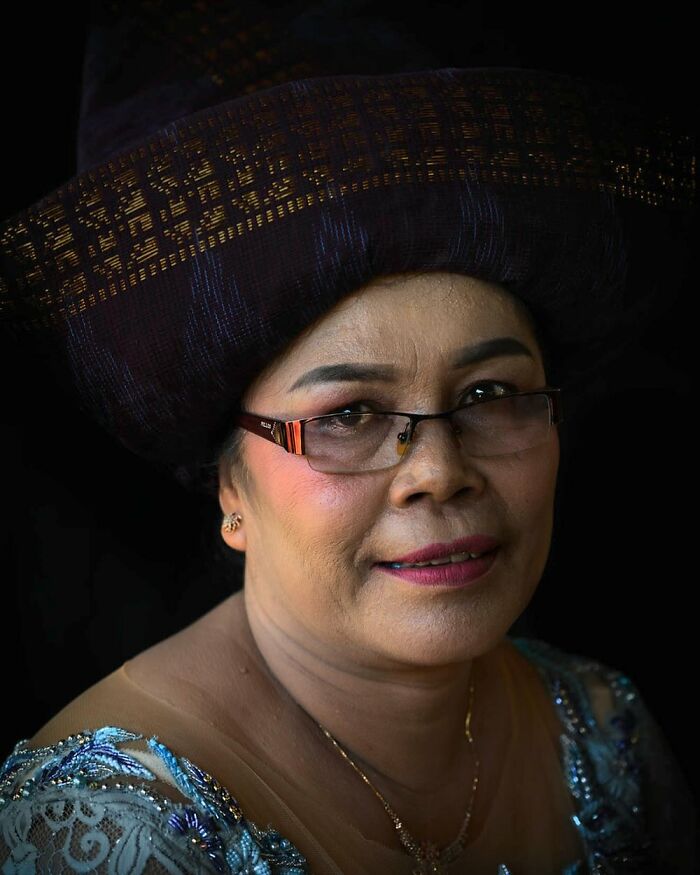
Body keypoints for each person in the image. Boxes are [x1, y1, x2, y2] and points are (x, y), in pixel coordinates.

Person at [0, 2, 696, 873]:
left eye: (489, 392)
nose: (439, 472)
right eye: (348, 415)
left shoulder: (603, 721)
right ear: (230, 488)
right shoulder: (108, 824)